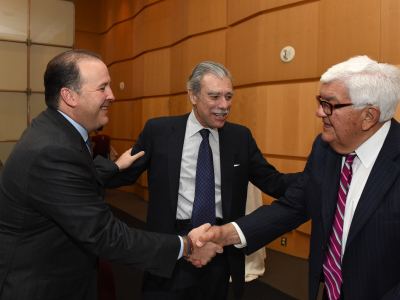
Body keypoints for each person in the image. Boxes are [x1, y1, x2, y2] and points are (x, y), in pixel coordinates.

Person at [0, 50, 222, 300]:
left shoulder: (56, 131)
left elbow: (77, 177)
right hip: (41, 286)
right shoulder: (54, 150)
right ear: (69, 96)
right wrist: (187, 245)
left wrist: (116, 166)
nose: (112, 96)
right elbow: (105, 235)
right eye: (103, 88)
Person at [197, 56, 400, 300]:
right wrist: (226, 234)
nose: (319, 112)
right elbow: (295, 204)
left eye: (329, 105)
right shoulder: (326, 148)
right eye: (320, 101)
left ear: (369, 116)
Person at [103, 61, 299, 300]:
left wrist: (318, 178)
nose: (224, 105)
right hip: (170, 243)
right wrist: (106, 167)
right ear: (192, 95)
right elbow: (123, 176)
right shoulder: (160, 131)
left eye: (228, 96)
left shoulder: (240, 137)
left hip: (218, 246)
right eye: (214, 96)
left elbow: (273, 181)